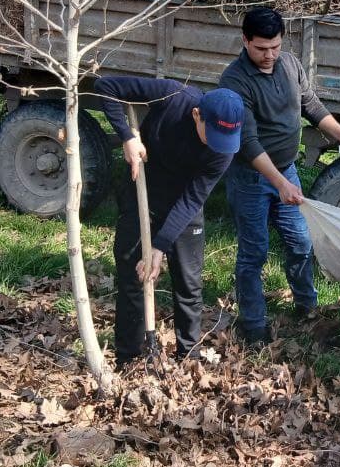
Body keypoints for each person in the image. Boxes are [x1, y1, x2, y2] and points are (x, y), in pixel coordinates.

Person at [219, 7, 340, 346]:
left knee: (300, 242)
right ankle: (252, 324)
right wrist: (280, 184)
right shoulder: (235, 81)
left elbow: (310, 105)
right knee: (254, 251)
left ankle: (306, 306)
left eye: (275, 47)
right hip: (251, 179)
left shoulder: (290, 65)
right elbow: (248, 143)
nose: (269, 56)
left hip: (286, 171)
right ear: (244, 41)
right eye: (261, 49)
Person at [94, 76, 245, 368]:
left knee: (189, 283)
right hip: (142, 193)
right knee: (132, 276)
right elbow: (106, 87)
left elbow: (192, 199)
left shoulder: (224, 151)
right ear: (196, 115)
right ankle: (129, 358)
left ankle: (188, 357)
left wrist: (160, 246)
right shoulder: (174, 96)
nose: (217, 145)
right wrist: (127, 135)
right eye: (211, 134)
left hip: (184, 207)